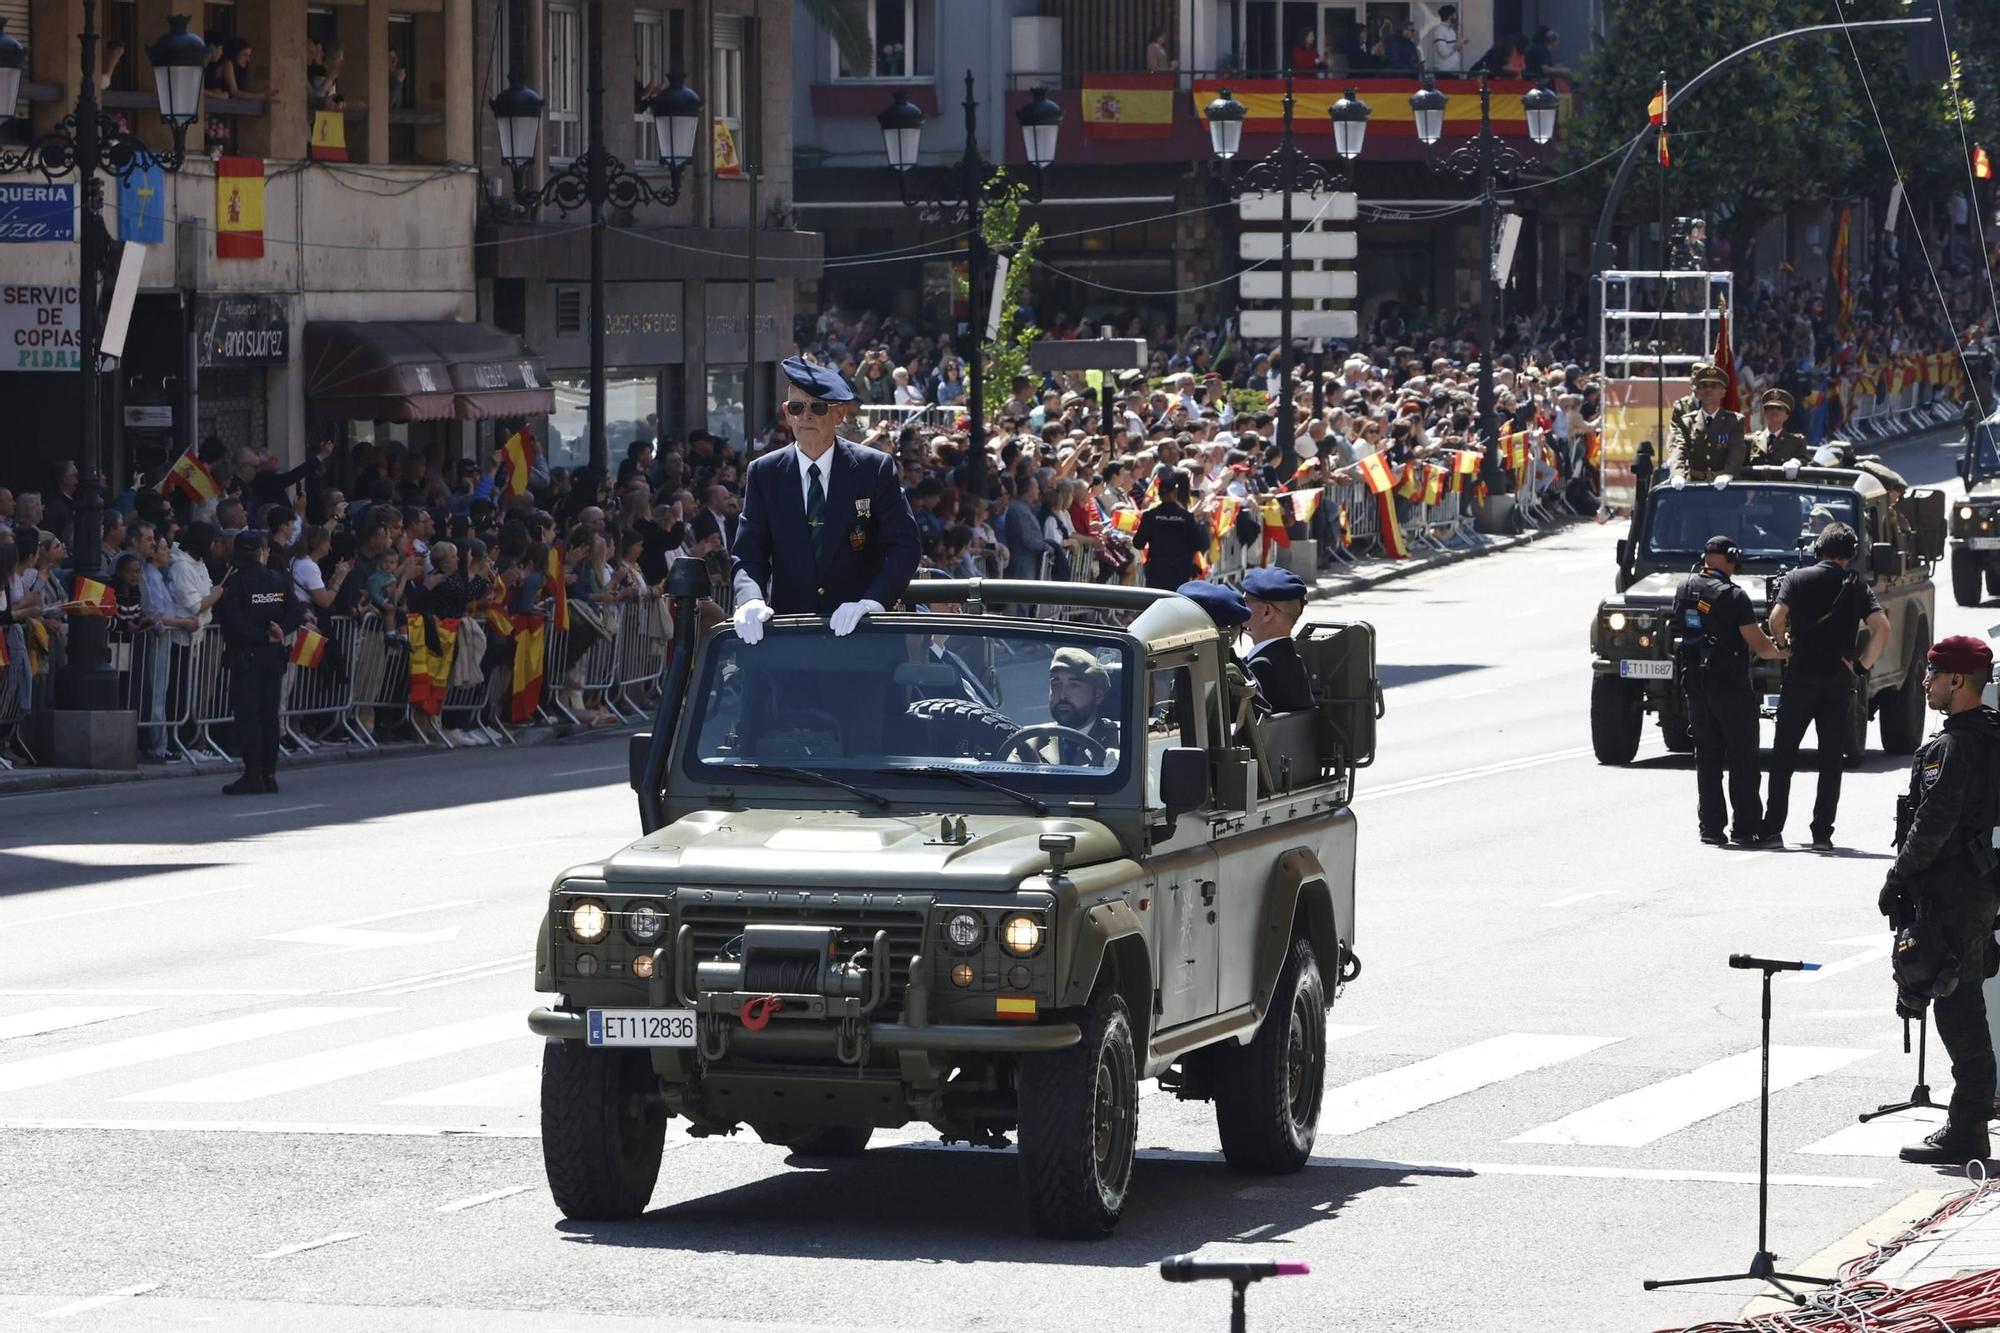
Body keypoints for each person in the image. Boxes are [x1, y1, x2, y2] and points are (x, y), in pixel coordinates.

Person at [1881, 635, 2000, 1165]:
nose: (1925, 683)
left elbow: (1934, 822)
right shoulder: (1991, 735)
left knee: (1957, 1008)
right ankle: (1968, 1119)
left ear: (1956, 681)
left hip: (1951, 890)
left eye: (1931, 675)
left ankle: (1968, 1127)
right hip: (1977, 884)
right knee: (1960, 1000)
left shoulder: (1952, 746)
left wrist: (1898, 874)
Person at [730, 356, 921, 643]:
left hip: (862, 638)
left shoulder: (874, 469)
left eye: (817, 407)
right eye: (797, 407)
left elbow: (904, 547)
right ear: (786, 412)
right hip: (792, 639)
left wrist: (871, 604)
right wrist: (750, 599)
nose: (805, 416)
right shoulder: (765, 472)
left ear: (839, 414)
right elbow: (748, 553)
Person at [1762, 521, 1891, 849]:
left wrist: (1782, 646)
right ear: (1850, 554)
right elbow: (1883, 628)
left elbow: (1776, 618)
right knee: (1831, 759)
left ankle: (1772, 830)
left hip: (1800, 676)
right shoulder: (1856, 585)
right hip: (1837, 680)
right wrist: (1861, 666)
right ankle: (1822, 834)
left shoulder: (1796, 578)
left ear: (1819, 548)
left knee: (1784, 756)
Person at [1674, 536, 1788, 846]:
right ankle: (1745, 827)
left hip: (1696, 686)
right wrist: (1785, 652)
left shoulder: (1684, 587)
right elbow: (1761, 647)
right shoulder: (1734, 596)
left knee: (1707, 758)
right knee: (1742, 759)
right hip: (1730, 689)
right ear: (1732, 557)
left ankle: (1710, 828)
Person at [213, 530, 302, 796]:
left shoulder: (237, 583)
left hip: (247, 657)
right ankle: (269, 774)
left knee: (249, 717)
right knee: (269, 716)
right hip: (273, 657)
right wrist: (279, 631)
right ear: (261, 552)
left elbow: (233, 620)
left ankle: (253, 775)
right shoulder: (278, 579)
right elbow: (295, 611)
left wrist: (260, 636)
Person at [1241, 567, 1315, 712]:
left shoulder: (1261, 667)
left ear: (1267, 612)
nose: (1241, 607)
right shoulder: (1293, 660)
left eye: (1246, 601)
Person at [1662, 363, 1747, 481]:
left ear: (1723, 392)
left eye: (1714, 386)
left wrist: (1729, 473)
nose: (1708, 389)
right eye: (1704, 386)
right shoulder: (1687, 422)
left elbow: (1737, 451)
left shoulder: (1734, 421)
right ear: (1698, 391)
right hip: (1695, 485)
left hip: (1726, 486)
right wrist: (1677, 474)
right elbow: (1679, 449)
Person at [1043, 646, 1121, 760]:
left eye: (1074, 685)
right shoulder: (1029, 742)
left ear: (1098, 696)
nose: (1062, 694)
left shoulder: (1123, 742)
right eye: (1056, 685)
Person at [1133, 472, 1205, 589]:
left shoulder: (1150, 516)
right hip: (1180, 570)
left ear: (1159, 494)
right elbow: (1198, 544)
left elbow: (1138, 543)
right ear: (1175, 493)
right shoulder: (1186, 517)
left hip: (1156, 570)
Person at [1747, 389, 1813, 466]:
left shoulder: (1796, 442)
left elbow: (1806, 463)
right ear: (1765, 413)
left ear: (1786, 416)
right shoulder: (1750, 440)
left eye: (1779, 408)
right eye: (1771, 408)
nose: (1775, 411)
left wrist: (1797, 462)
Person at [1425, 4, 1467, 73]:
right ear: (1450, 16)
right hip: (1444, 71)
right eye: (1455, 14)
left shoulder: (1451, 30)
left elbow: (1453, 50)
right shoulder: (1440, 30)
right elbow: (1443, 52)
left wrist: (1460, 44)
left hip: (1454, 70)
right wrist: (1457, 45)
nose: (1456, 17)